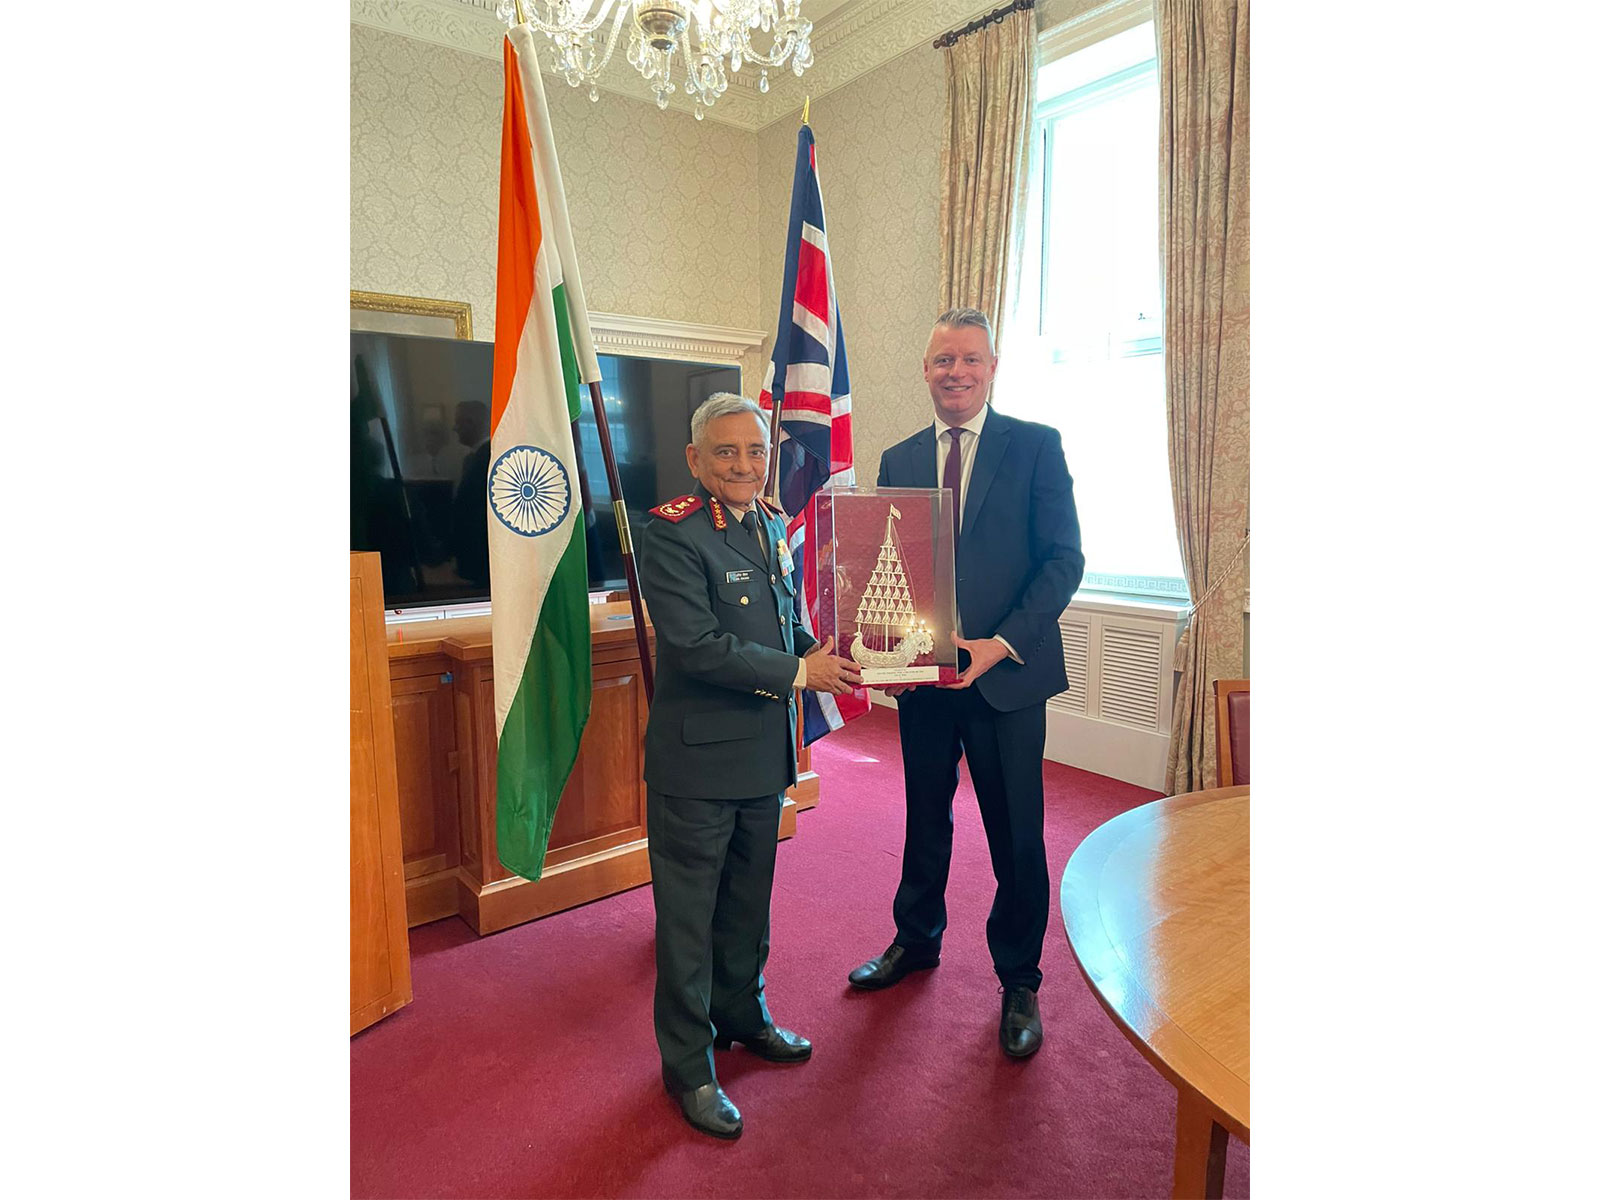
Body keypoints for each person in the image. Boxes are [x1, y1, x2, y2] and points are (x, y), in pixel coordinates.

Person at [848, 307, 1085, 1059]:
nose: (955, 372)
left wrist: (1000, 644)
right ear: (925, 371)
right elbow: (896, 564)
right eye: (942, 360)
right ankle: (915, 940)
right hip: (924, 684)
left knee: (1016, 836)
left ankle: (1020, 979)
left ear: (991, 367)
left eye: (969, 360)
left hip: (1006, 680)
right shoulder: (900, 456)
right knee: (925, 819)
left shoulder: (1036, 447)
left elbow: (1063, 560)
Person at [639, 393, 863, 1139]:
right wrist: (800, 675)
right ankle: (690, 1066)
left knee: (746, 907)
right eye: (727, 452)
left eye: (756, 451)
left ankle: (743, 1015)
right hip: (697, 765)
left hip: (762, 758)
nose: (744, 464)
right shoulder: (669, 532)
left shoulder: (769, 523)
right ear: (695, 459)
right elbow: (698, 645)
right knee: (688, 925)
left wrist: (818, 654)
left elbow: (784, 622)